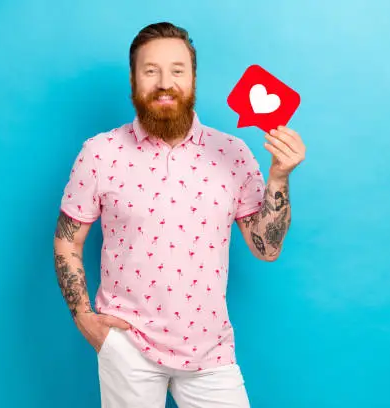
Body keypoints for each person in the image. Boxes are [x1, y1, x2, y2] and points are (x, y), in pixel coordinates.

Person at [53, 21, 305, 408]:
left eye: (177, 70)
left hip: (211, 350)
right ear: (134, 80)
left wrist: (279, 176)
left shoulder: (233, 152)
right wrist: (85, 317)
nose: (164, 82)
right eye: (150, 71)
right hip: (127, 346)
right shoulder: (99, 153)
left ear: (193, 78)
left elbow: (267, 248)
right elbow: (68, 239)